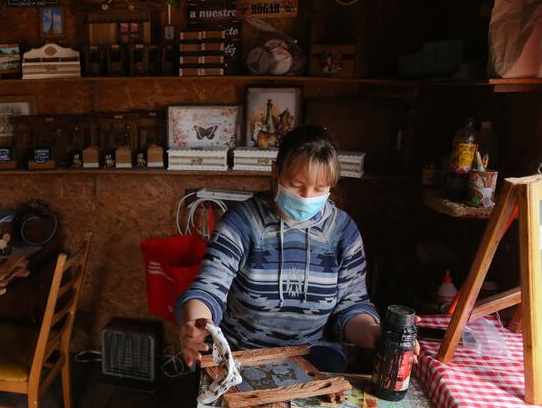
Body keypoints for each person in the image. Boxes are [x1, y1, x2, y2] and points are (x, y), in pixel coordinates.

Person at [176, 125, 419, 372]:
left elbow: (351, 306)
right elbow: (209, 287)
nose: (306, 196)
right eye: (295, 184)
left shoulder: (343, 231)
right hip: (243, 351)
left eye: (320, 188)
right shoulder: (242, 223)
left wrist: (376, 335)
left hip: (313, 350)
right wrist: (196, 323)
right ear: (275, 172)